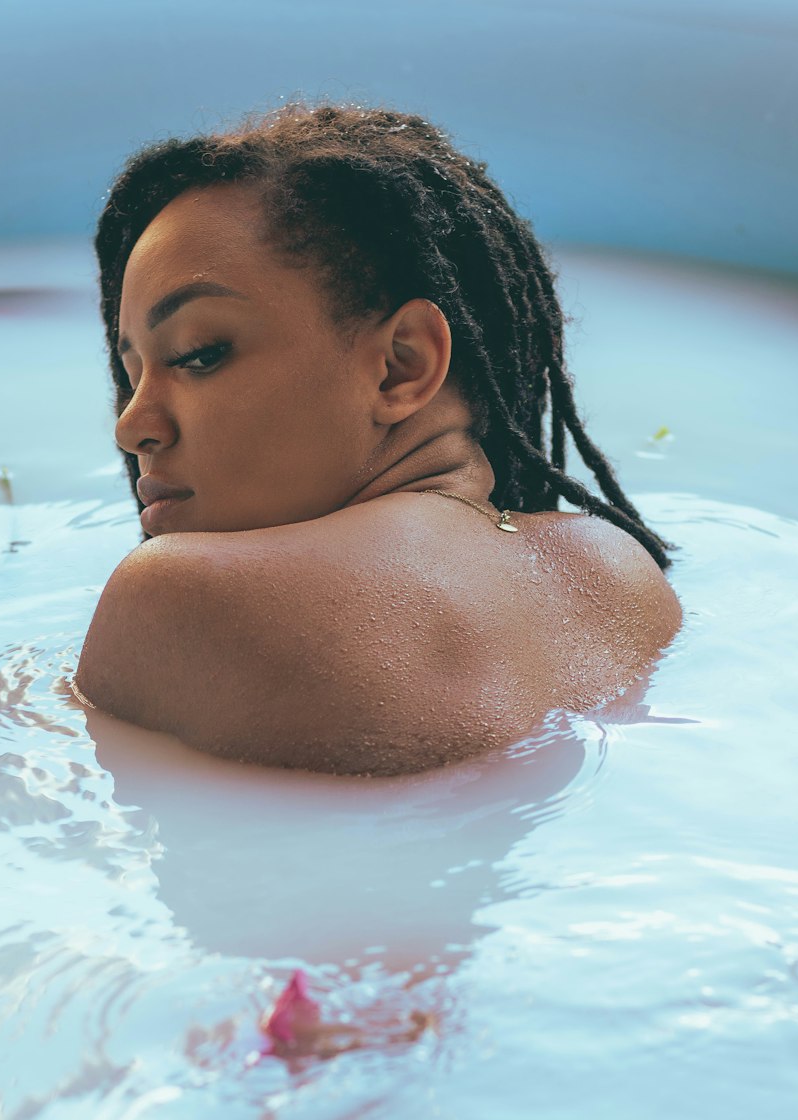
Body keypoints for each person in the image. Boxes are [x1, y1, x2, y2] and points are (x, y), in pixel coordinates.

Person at [75, 102, 681, 775]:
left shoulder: (178, 596)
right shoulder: (615, 574)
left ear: (402, 365)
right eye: (130, 376)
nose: (132, 426)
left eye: (199, 354)